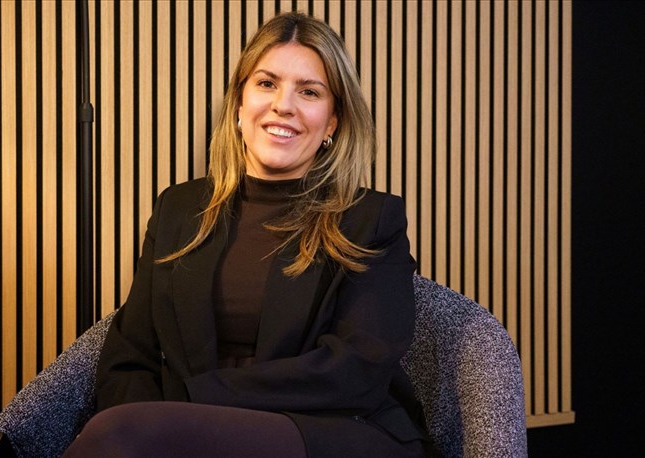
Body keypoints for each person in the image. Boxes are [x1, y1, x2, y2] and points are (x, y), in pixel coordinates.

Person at [65, 11, 434, 457]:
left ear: (332, 122)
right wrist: (145, 421)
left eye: (309, 91)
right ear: (240, 104)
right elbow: (129, 356)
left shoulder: (369, 219)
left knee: (119, 436)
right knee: (118, 433)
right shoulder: (178, 211)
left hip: (332, 432)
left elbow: (357, 368)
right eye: (266, 83)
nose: (283, 105)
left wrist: (187, 404)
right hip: (183, 432)